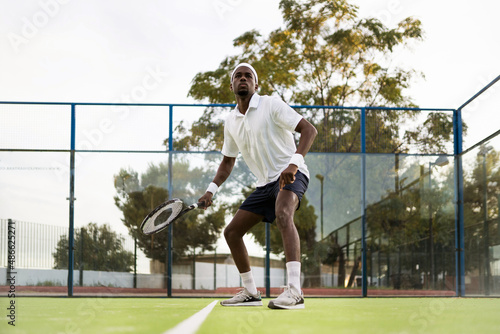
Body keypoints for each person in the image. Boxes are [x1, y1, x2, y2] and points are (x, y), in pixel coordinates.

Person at [198, 63, 317, 310]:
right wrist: (211, 190)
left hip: (291, 175)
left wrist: (293, 165)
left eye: (248, 76)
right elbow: (227, 162)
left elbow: (309, 130)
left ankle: (295, 292)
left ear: (255, 84)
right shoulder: (231, 121)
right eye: (238, 76)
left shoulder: (271, 104)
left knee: (284, 214)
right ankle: (251, 292)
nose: (243, 79)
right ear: (231, 86)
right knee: (231, 233)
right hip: (265, 185)